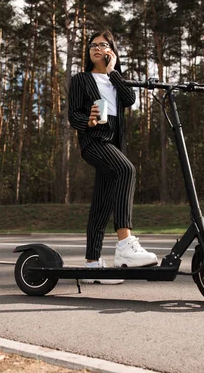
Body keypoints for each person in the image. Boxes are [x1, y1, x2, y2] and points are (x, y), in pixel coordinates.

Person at [68, 30, 158, 284]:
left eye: (103, 45)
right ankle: (125, 244)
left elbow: (130, 99)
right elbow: (72, 115)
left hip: (114, 143)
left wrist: (113, 72)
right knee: (126, 170)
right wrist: (88, 119)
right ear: (88, 53)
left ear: (111, 51)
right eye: (92, 46)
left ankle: (92, 263)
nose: (97, 49)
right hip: (94, 140)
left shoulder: (116, 80)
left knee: (102, 203)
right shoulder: (81, 79)